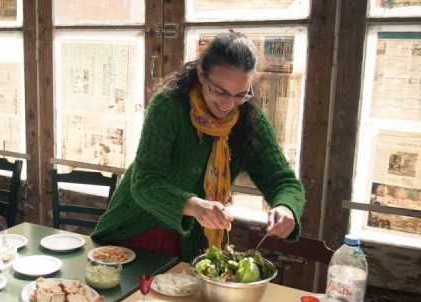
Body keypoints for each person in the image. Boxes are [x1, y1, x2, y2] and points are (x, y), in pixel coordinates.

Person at [91, 31, 305, 263]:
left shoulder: (249, 122)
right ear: (202, 73)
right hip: (134, 230)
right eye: (220, 91)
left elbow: (283, 181)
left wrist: (286, 207)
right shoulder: (169, 106)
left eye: (241, 94)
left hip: (190, 243)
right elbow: (144, 183)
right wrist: (195, 207)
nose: (228, 104)